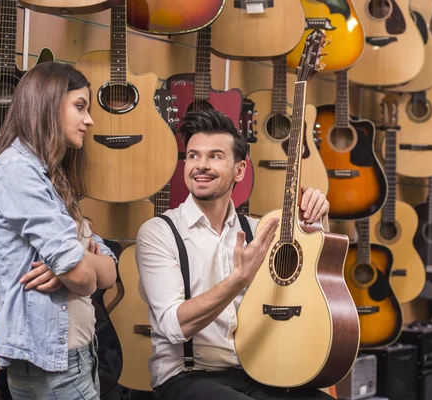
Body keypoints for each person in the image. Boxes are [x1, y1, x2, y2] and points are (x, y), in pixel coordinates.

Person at [136, 108, 334, 400]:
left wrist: (318, 216)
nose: (200, 166)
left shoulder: (259, 230)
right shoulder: (159, 233)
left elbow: (317, 277)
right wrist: (240, 278)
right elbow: (174, 326)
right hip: (187, 377)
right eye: (193, 155)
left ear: (239, 170)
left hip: (260, 373)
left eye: (215, 156)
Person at [0, 62, 117, 400]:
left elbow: (108, 271)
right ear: (48, 104)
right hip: (55, 367)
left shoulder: (50, 177)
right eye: (80, 106)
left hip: (70, 359)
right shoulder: (17, 173)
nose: (90, 120)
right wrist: (78, 267)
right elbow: (84, 279)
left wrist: (75, 265)